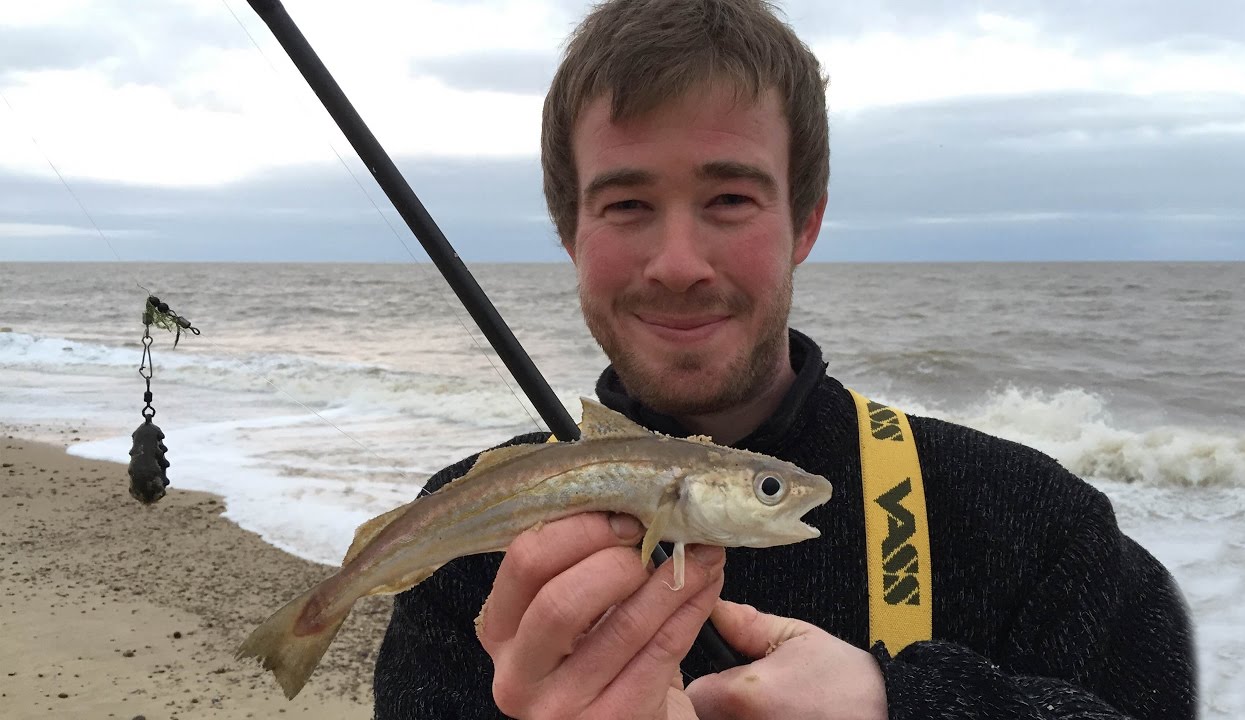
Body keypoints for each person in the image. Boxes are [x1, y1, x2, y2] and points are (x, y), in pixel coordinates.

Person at [373, 0, 1196, 717]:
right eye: (627, 204)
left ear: (804, 222)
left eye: (730, 199)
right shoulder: (457, 551)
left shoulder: (1044, 530)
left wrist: (904, 706)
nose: (679, 262)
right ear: (570, 236)